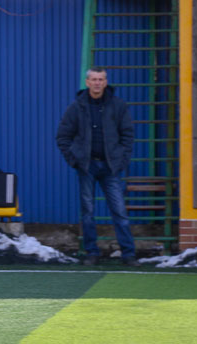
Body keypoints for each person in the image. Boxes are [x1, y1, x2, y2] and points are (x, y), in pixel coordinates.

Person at [56, 66, 138, 266]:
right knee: (88, 212)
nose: (97, 83)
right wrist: (74, 160)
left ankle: (128, 254)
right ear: (87, 82)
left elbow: (128, 134)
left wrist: (122, 159)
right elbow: (63, 136)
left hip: (111, 167)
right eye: (93, 79)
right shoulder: (77, 107)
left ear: (106, 82)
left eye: (101, 79)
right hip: (87, 167)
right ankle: (92, 253)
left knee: (119, 211)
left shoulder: (118, 105)